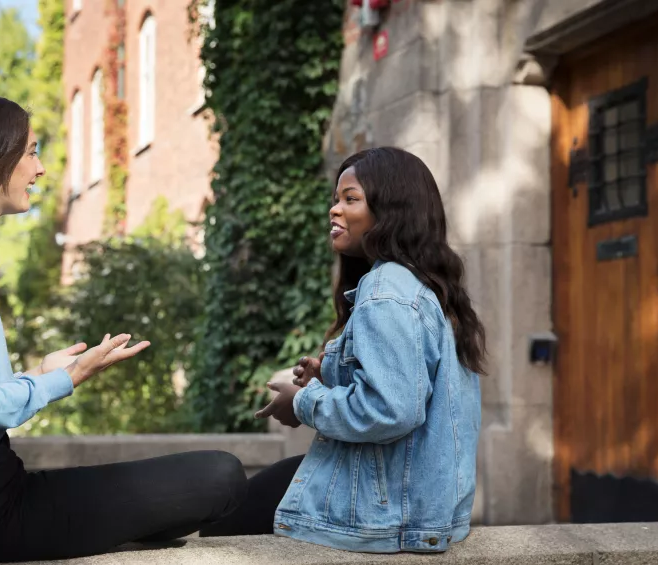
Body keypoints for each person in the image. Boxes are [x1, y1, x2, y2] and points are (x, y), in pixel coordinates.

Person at [0, 91, 247, 563]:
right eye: (31, 151)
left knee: (170, 508)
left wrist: (35, 374)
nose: (40, 168)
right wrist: (59, 381)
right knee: (220, 476)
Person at [201, 147, 485, 553]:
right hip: (422, 507)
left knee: (222, 520)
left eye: (350, 199)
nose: (334, 210)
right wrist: (330, 374)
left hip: (389, 513)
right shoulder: (425, 286)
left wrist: (302, 402)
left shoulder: (385, 289)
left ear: (391, 211)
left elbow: (393, 408)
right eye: (336, 199)